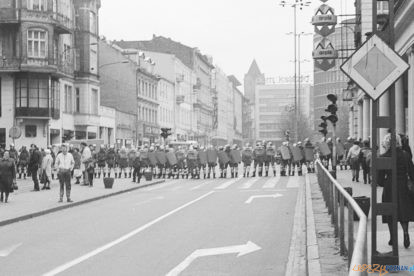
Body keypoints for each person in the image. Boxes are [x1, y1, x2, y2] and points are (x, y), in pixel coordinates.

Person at [378, 133, 414, 249]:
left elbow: (379, 180)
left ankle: (393, 238)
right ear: (399, 142)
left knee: (390, 211)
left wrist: (385, 183)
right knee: (404, 211)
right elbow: (412, 172)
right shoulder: (405, 155)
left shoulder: (383, 157)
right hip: (403, 186)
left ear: (386, 143)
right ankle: (405, 233)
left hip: (390, 187)